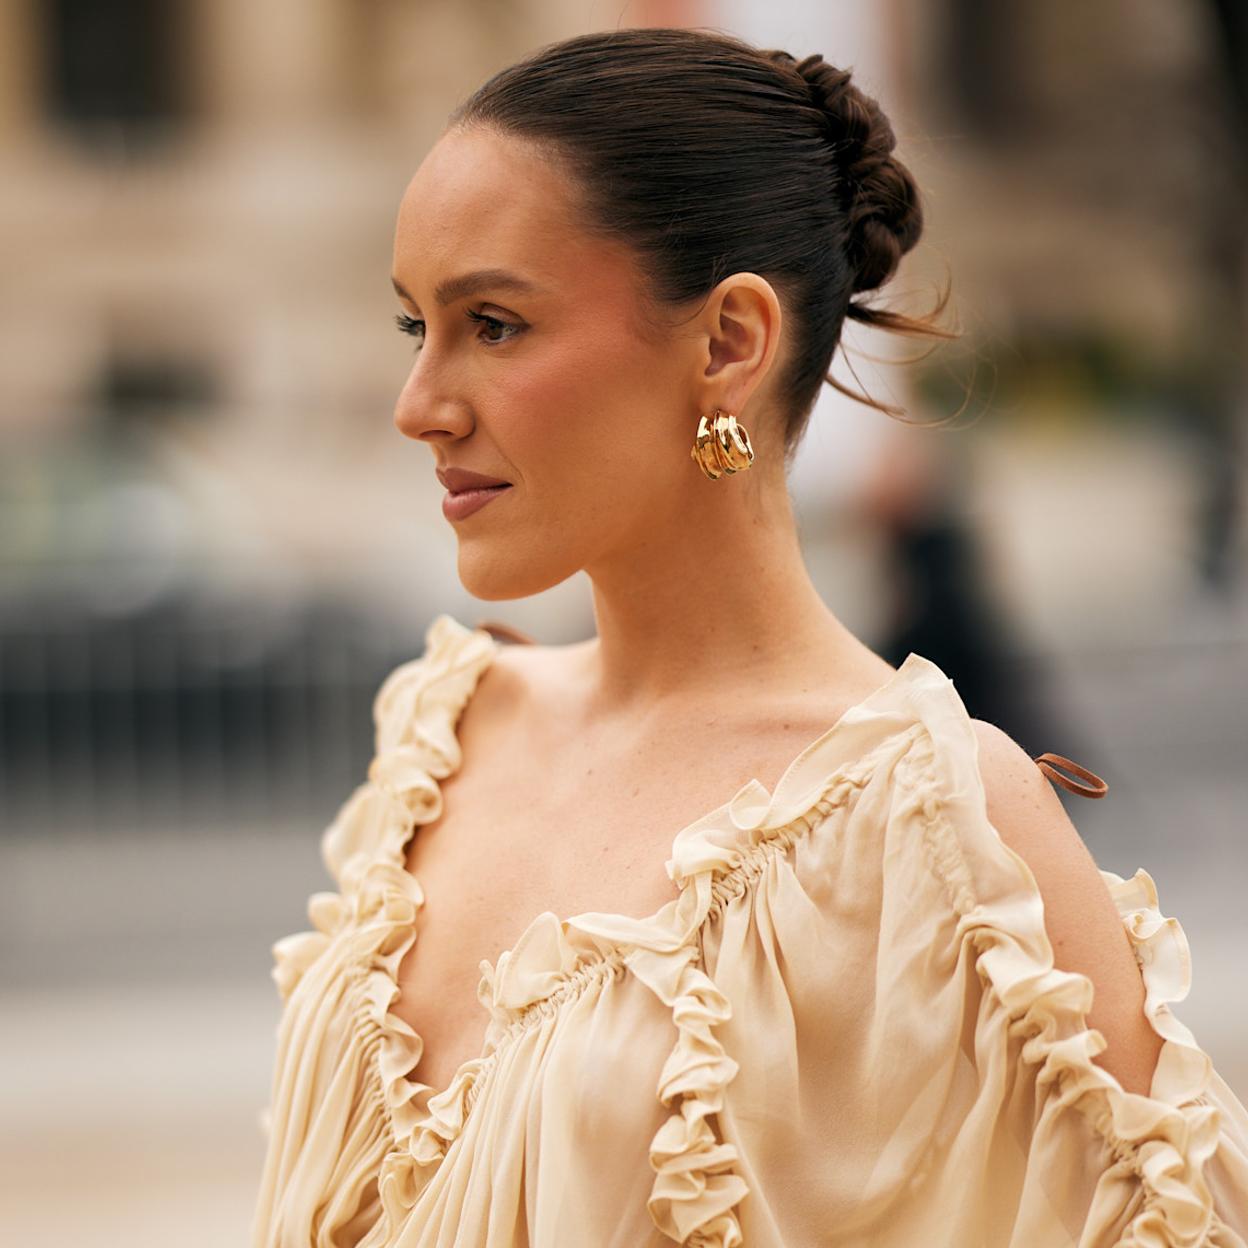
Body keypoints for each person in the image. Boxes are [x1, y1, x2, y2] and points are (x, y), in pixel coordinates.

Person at [250, 27, 1248, 1248]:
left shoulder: (922, 820)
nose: (421, 406)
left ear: (729, 342)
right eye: (419, 327)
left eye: (495, 325)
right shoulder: (442, 732)